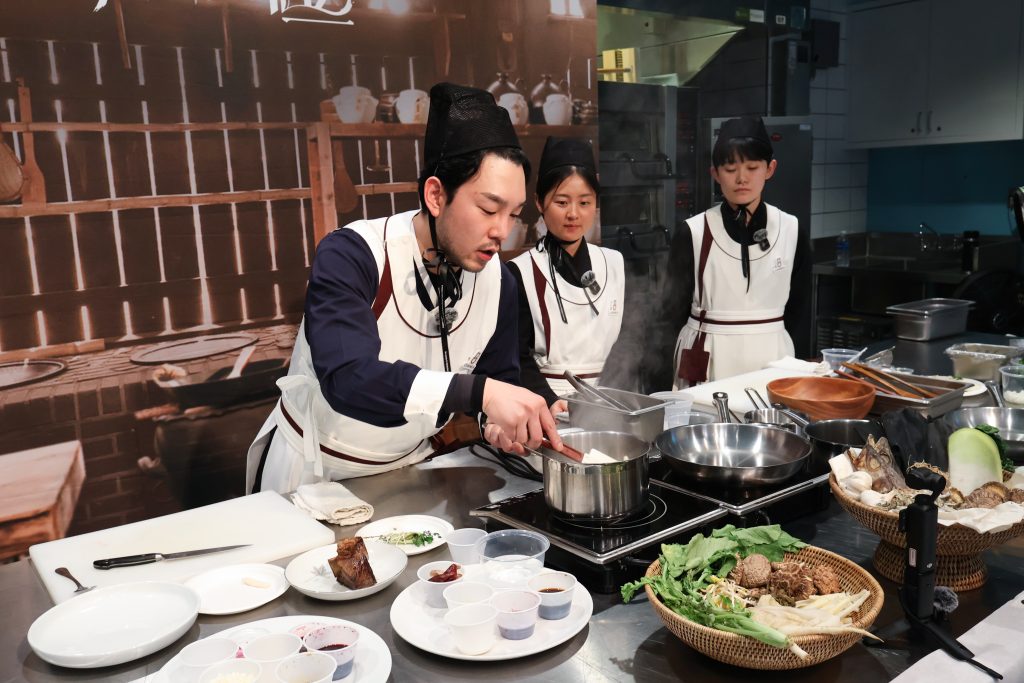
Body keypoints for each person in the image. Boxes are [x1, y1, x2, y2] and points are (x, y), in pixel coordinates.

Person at [245, 82, 562, 494]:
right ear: (435, 194)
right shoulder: (353, 254)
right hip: (313, 473)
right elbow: (348, 377)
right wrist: (480, 394)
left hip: (408, 473)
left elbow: (499, 376)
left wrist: (497, 424)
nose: (502, 231)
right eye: (488, 209)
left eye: (514, 214)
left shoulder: (499, 280)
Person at [647, 116, 811, 390]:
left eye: (752, 167)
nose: (741, 178)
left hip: (773, 364)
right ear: (715, 173)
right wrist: (658, 393)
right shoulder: (694, 232)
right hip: (708, 363)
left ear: (770, 169)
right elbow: (669, 316)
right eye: (730, 168)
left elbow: (799, 313)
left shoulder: (791, 230)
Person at [507, 137, 625, 414]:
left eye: (584, 202)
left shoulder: (615, 263)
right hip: (545, 406)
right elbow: (517, 357)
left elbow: (626, 344)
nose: (574, 214)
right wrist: (548, 401)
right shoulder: (519, 272)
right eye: (562, 202)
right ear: (539, 202)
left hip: (608, 401)